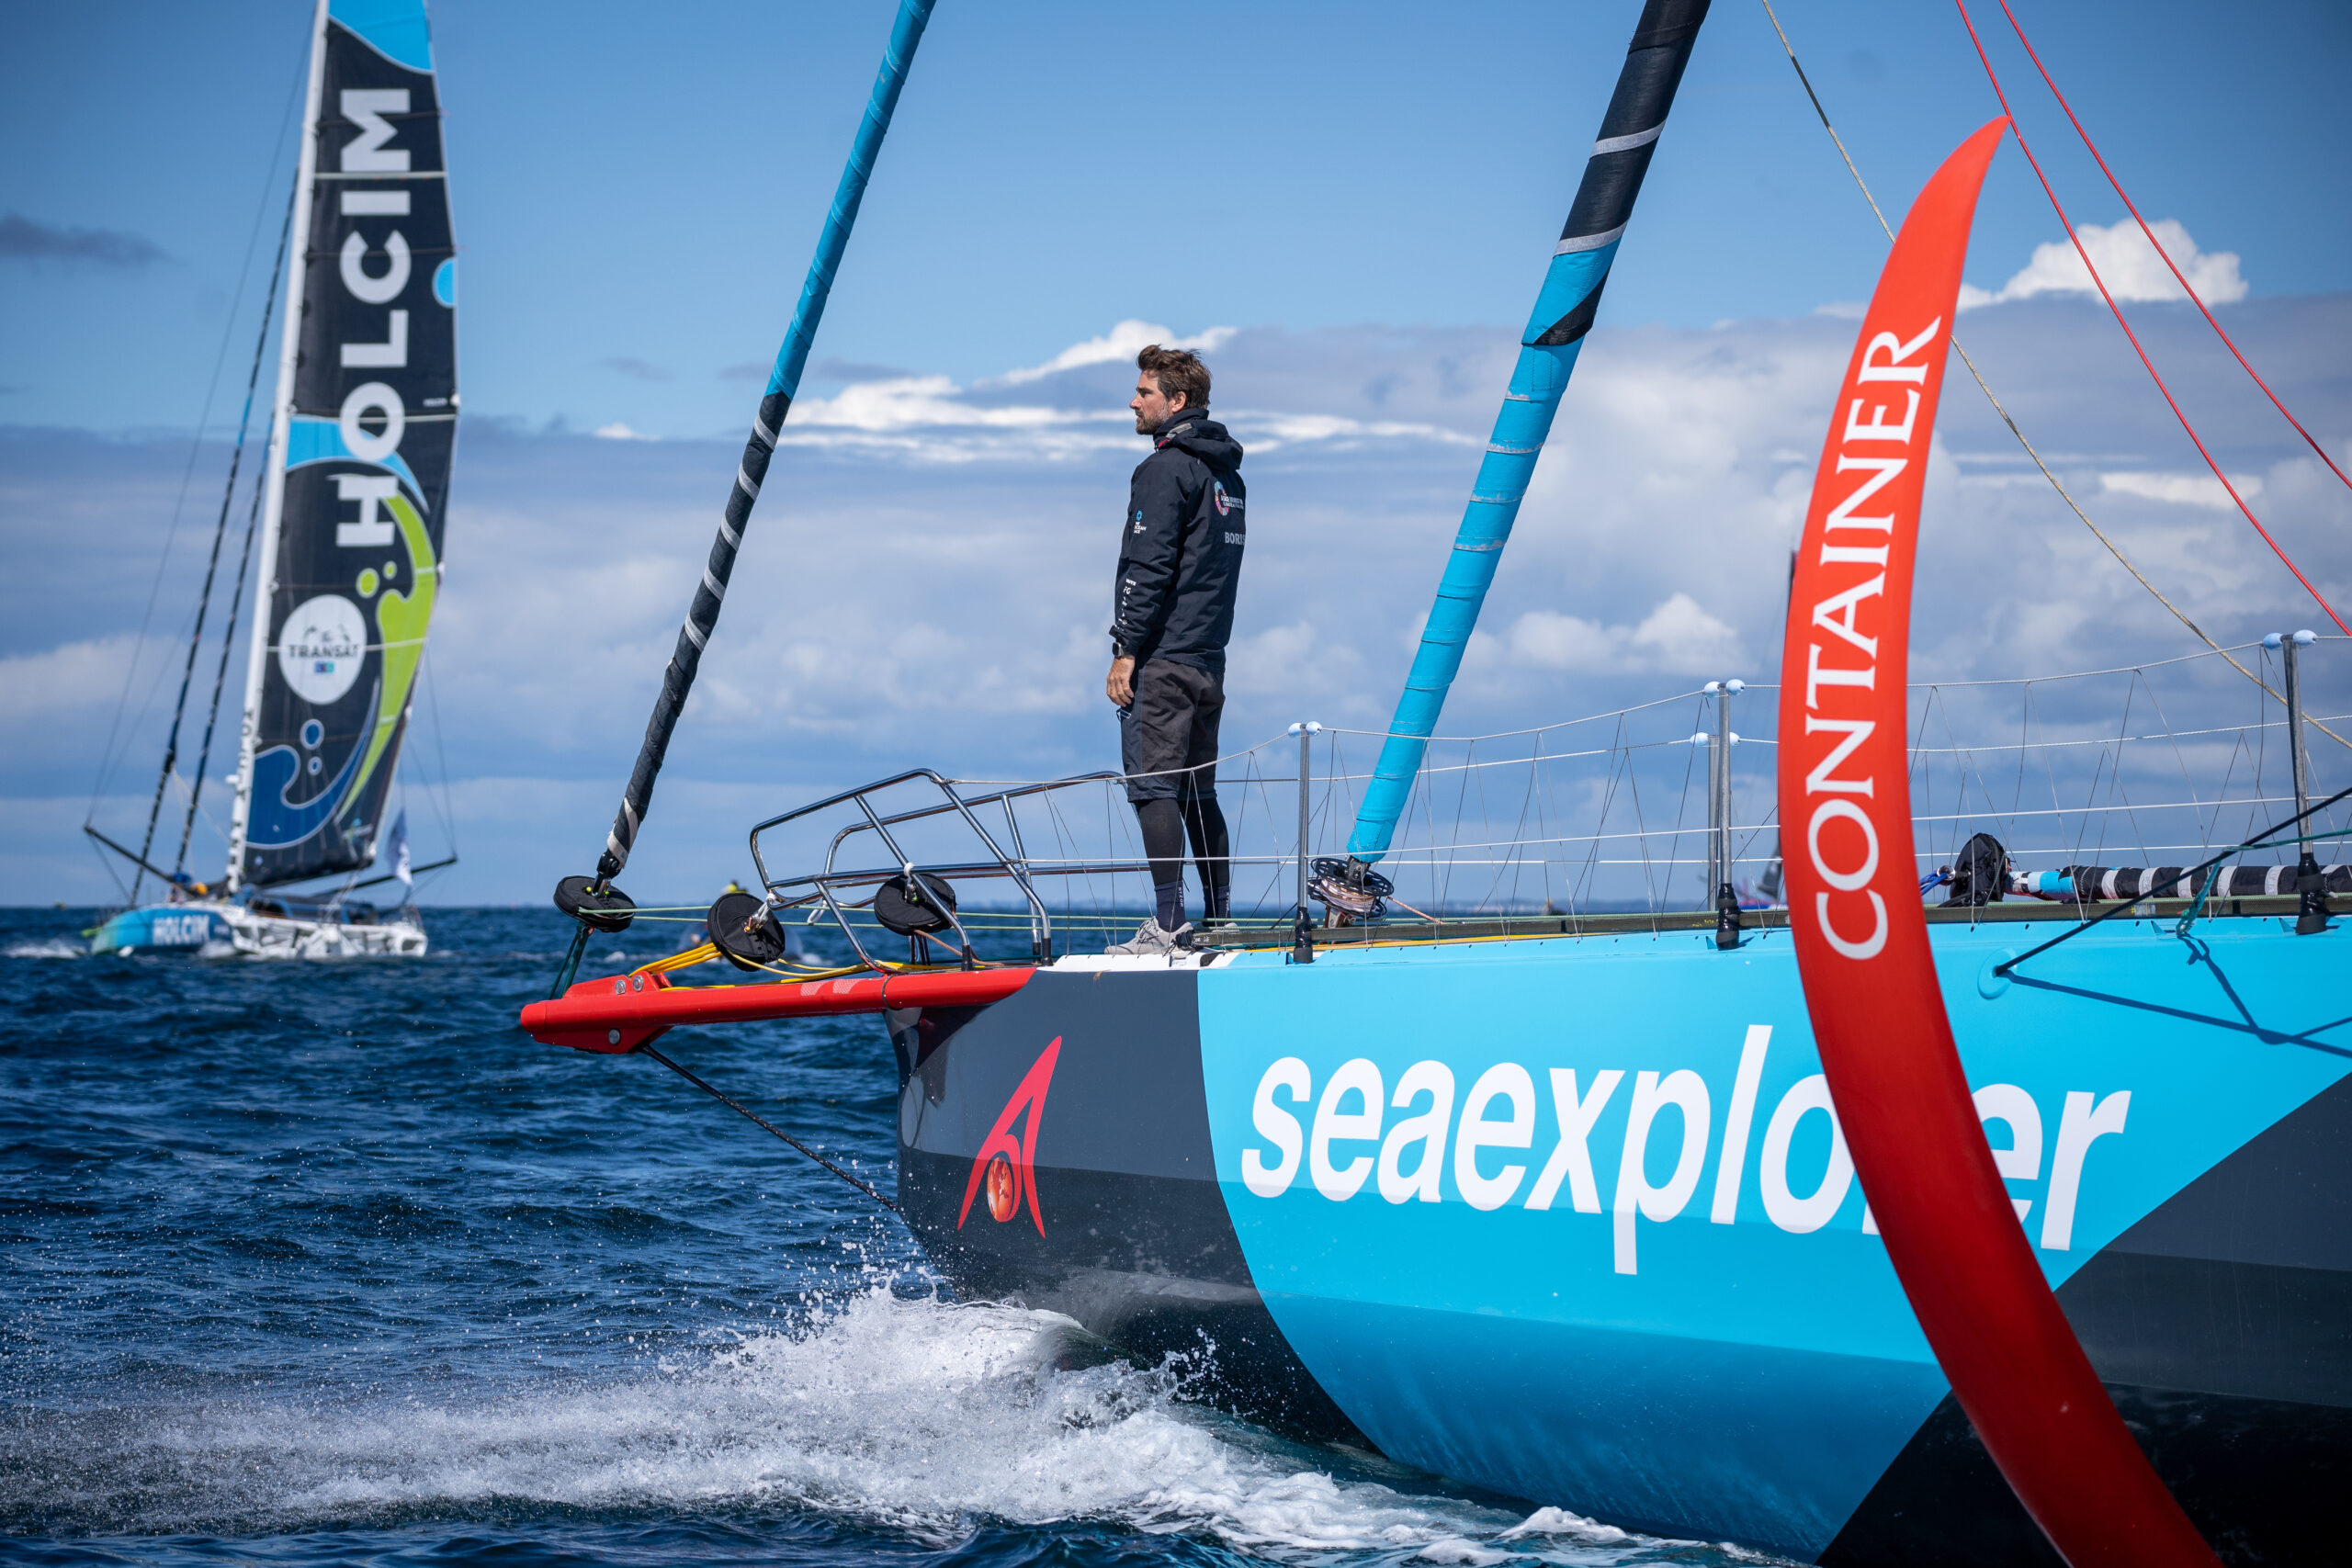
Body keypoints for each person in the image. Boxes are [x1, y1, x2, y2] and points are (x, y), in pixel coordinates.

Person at [1102, 344, 1246, 956]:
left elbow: (1147, 567)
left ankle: (1168, 924)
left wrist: (1126, 650)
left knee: (1154, 785)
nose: (1133, 402)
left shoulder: (1164, 469)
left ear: (1176, 401)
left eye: (1145, 392)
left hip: (1163, 662)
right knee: (1197, 790)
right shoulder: (1228, 475)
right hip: (1209, 661)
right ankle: (1220, 918)